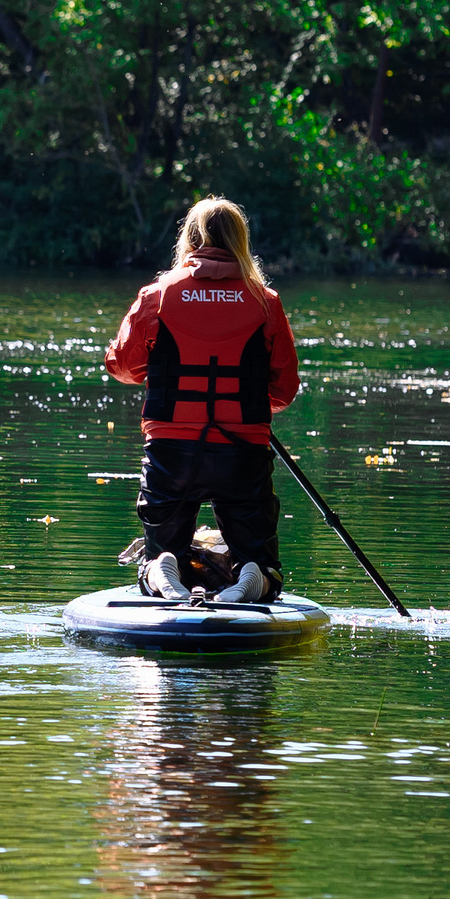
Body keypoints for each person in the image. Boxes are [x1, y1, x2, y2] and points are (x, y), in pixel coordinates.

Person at [101, 197, 300, 603]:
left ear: (189, 239)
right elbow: (284, 390)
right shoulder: (266, 301)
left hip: (171, 453)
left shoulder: (157, 295)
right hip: (242, 453)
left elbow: (121, 366)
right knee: (264, 562)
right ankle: (254, 572)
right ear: (240, 241)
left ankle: (162, 567)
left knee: (160, 550)